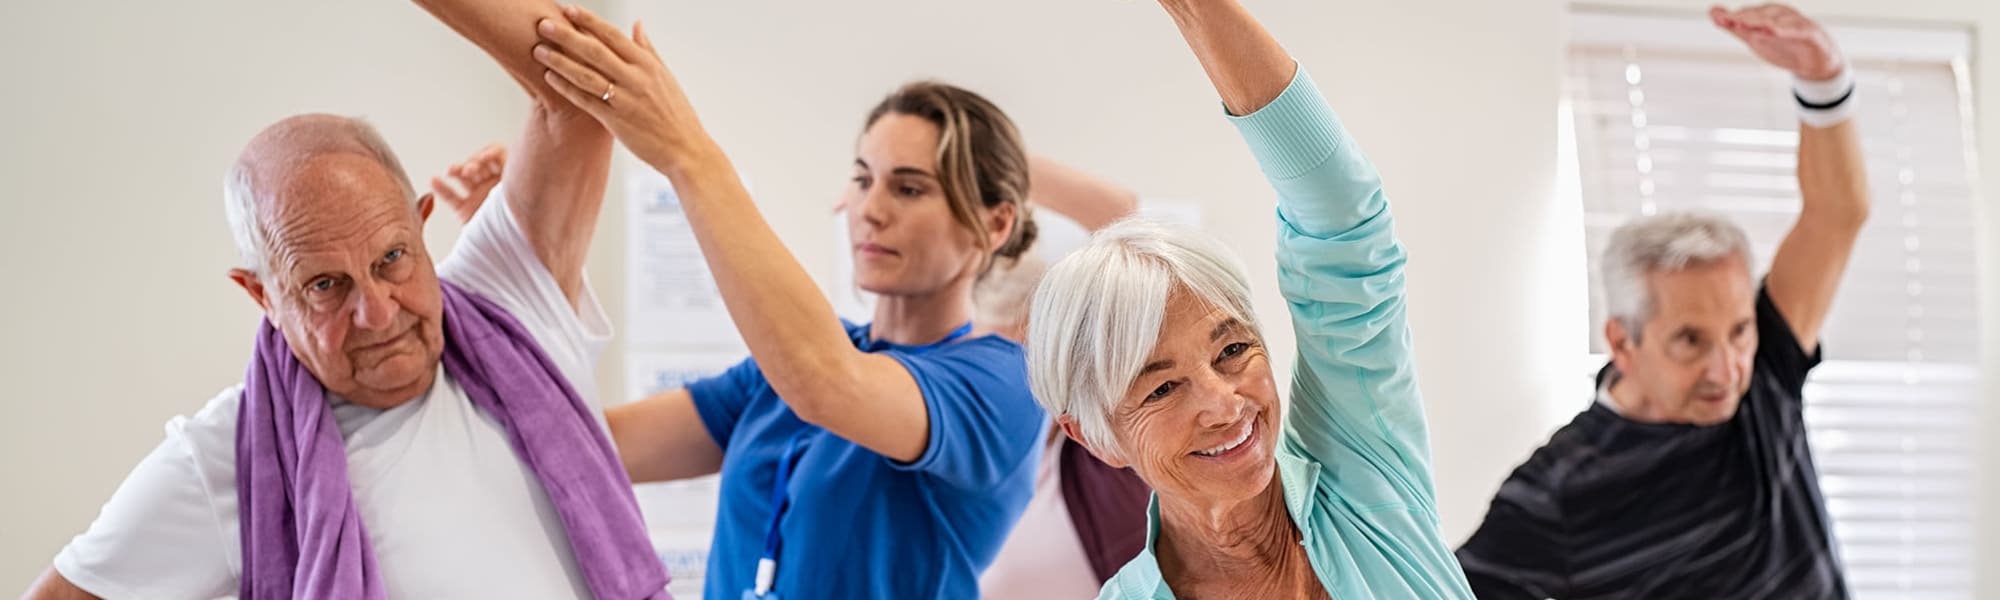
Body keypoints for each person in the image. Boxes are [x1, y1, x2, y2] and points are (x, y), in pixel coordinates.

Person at [23, 1, 669, 597]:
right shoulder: (228, 456)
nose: (379, 313)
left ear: (421, 225)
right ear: (262, 295)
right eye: (326, 286)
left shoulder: (513, 301)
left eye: (392, 259)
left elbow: (578, 93)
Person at [528, 6, 1047, 598]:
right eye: (861, 179)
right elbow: (587, 448)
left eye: (908, 188)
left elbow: (826, 382)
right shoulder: (779, 376)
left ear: (996, 222)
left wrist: (688, 154)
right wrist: (528, 267)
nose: (869, 209)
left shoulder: (1003, 385)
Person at [1024, 0, 1476, 597]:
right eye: (1161, 388)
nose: (1225, 404)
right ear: (1094, 436)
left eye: (1232, 349)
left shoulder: (1362, 476)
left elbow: (1341, 218)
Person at [1454, 4, 1869, 598]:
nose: (1727, 369)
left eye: (1738, 331)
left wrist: (1824, 79)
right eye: (1691, 341)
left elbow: (1837, 215)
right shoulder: (1558, 493)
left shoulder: (1764, 374)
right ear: (1623, 341)